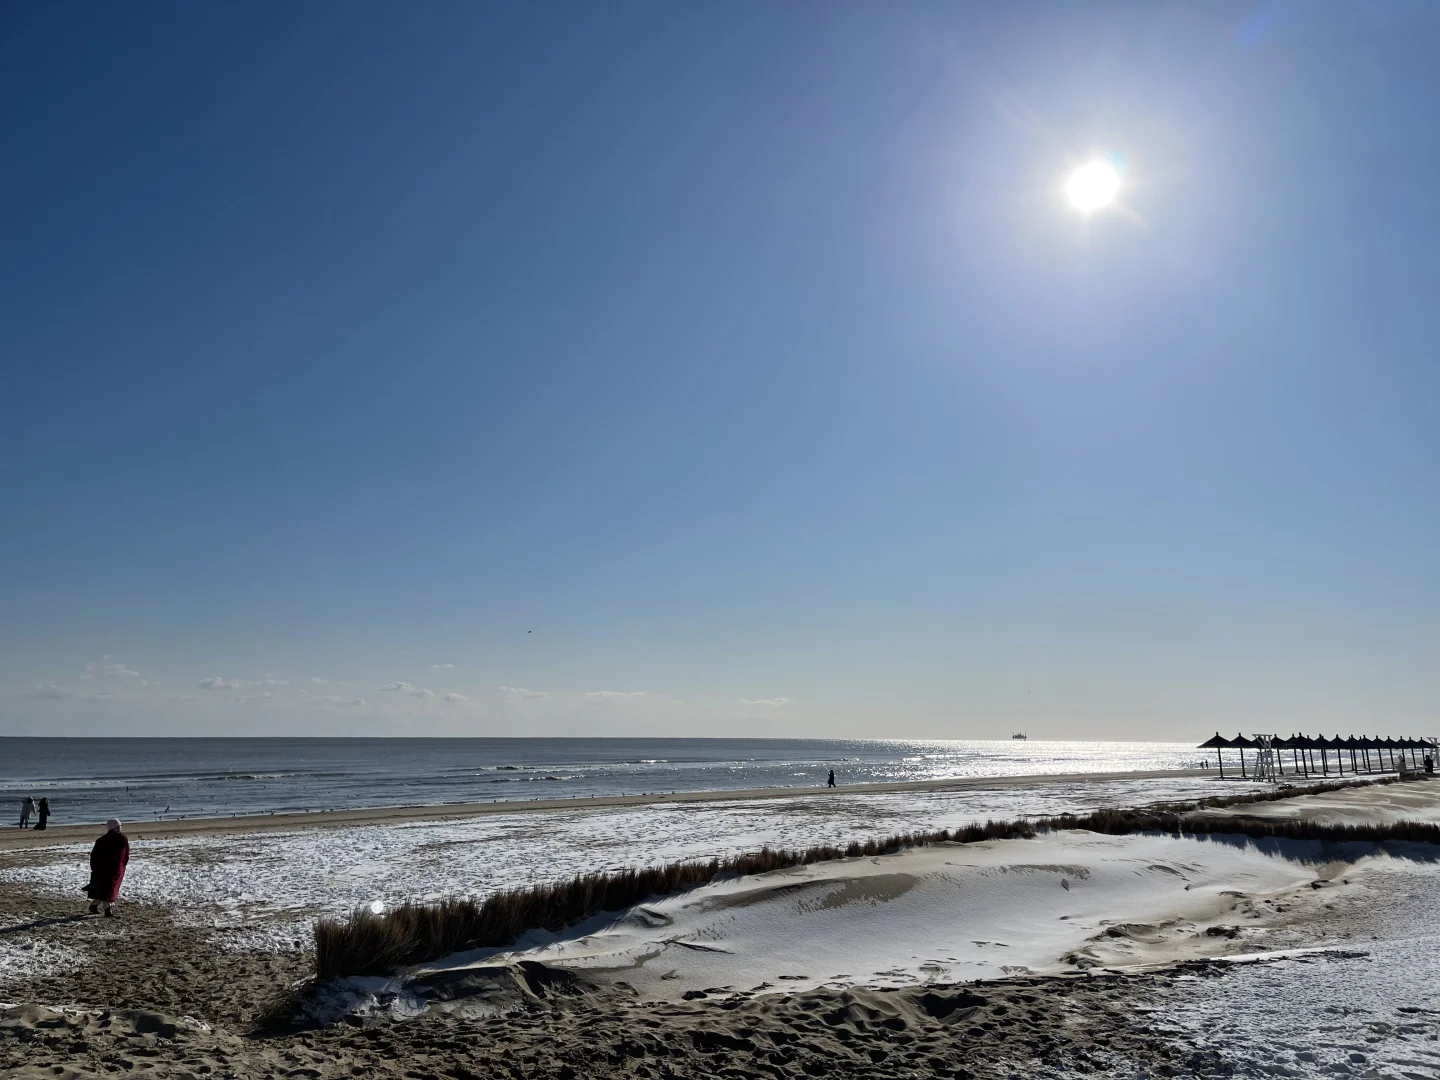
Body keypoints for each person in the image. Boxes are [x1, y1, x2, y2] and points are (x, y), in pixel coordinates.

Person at [84, 819, 130, 917]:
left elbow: (125, 853)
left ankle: (94, 905)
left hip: (117, 869)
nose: (120, 828)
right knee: (107, 890)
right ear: (112, 828)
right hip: (104, 869)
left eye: (120, 826)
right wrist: (95, 868)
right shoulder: (102, 841)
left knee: (107, 890)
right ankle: (107, 910)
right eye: (117, 827)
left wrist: (123, 864)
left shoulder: (123, 838)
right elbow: (95, 856)